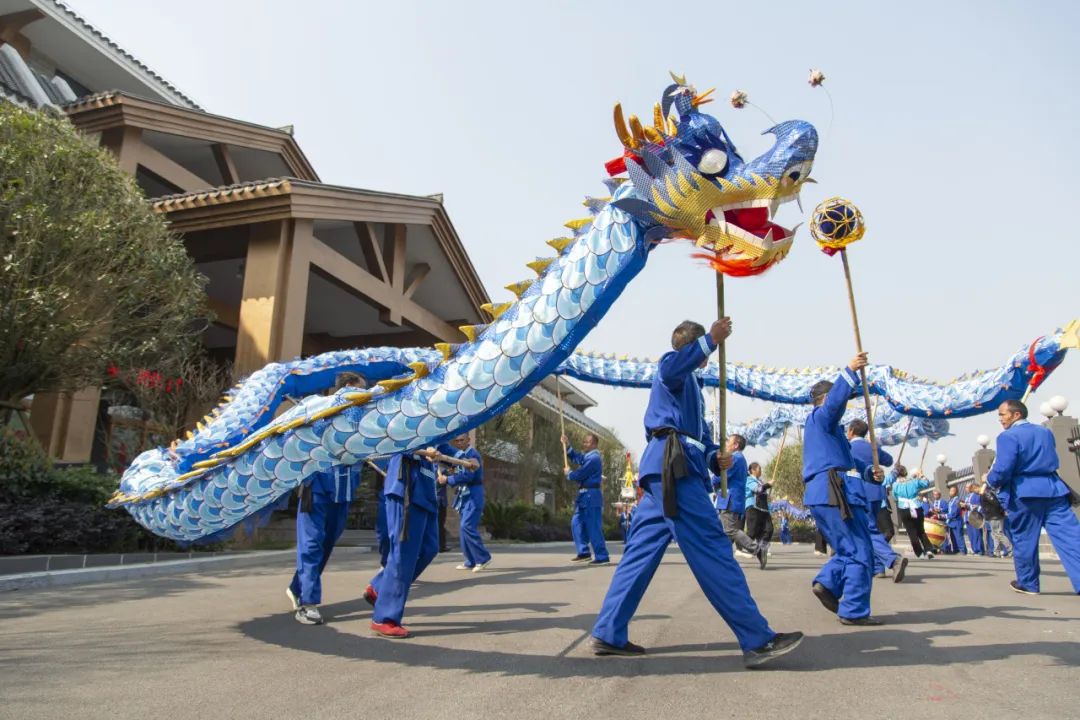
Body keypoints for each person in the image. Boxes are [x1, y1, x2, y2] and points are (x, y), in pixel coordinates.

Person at [590, 318, 803, 667]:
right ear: (694, 349)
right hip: (674, 471)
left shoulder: (693, 387)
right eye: (702, 349)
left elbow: (699, 441)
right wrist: (711, 340)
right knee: (713, 548)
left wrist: (713, 457)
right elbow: (673, 368)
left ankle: (608, 631)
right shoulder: (672, 368)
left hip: (666, 471)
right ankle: (757, 638)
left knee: (639, 554)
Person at [802, 353, 881, 625]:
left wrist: (871, 472)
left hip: (827, 492)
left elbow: (849, 462)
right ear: (826, 398)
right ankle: (854, 610)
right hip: (834, 492)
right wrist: (850, 371)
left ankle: (827, 583)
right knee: (860, 550)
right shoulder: (821, 417)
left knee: (848, 548)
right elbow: (833, 406)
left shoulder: (830, 432)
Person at [286, 372, 367, 625]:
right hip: (317, 486)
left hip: (343, 491)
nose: (363, 395)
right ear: (348, 387)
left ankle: (298, 587)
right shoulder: (319, 409)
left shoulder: (360, 418)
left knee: (326, 544)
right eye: (360, 389)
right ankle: (307, 603)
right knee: (311, 544)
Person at [985, 399, 1080, 595]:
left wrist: (990, 479)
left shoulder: (1007, 437)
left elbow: (1003, 469)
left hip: (1024, 492)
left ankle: (1028, 583)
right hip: (1054, 490)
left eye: (1002, 414)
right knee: (1071, 537)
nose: (1000, 419)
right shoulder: (1045, 432)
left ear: (1016, 414)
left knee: (1024, 540)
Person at [363, 446, 442, 638]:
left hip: (427, 492)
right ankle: (385, 618)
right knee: (403, 554)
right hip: (407, 486)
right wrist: (422, 448)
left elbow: (445, 446)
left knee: (429, 548)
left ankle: (379, 587)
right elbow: (396, 438)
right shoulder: (407, 425)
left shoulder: (437, 430)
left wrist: (462, 458)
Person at [847, 419, 906, 583]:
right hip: (876, 492)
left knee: (868, 529)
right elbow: (888, 460)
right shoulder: (872, 447)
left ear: (851, 431)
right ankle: (878, 567)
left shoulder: (848, 447)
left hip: (859, 492)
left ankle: (892, 559)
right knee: (872, 528)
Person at [438, 434, 491, 572]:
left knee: (467, 525)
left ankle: (483, 558)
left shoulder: (473, 455)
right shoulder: (460, 456)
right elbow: (456, 470)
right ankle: (470, 561)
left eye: (462, 440)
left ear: (468, 440)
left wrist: (447, 480)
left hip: (473, 493)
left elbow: (468, 476)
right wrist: (447, 472)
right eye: (457, 441)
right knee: (463, 528)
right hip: (464, 495)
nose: (459, 443)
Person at [715, 434, 768, 569]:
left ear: (736, 445)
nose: (726, 443)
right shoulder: (740, 459)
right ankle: (723, 560)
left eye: (729, 441)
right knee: (726, 532)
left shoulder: (735, 458)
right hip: (732, 499)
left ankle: (757, 549)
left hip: (729, 499)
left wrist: (711, 480)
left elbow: (723, 476)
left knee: (730, 530)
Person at [562, 432, 610, 565]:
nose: (584, 444)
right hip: (583, 495)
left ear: (594, 444)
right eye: (584, 442)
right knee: (576, 522)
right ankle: (583, 552)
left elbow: (581, 474)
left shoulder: (594, 458)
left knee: (593, 526)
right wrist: (568, 446)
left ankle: (602, 556)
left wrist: (569, 473)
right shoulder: (588, 457)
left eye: (587, 442)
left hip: (591, 495)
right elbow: (578, 458)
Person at [891, 466, 934, 558]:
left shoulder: (895, 485)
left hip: (904, 508)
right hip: (916, 506)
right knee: (921, 530)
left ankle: (920, 553)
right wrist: (921, 475)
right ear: (906, 473)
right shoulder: (914, 481)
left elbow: (895, 498)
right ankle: (928, 549)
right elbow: (926, 483)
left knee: (911, 532)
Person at [744, 462, 774, 552]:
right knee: (752, 531)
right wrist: (768, 485)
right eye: (759, 468)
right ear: (753, 470)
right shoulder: (749, 480)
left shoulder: (760, 481)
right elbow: (758, 489)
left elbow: (763, 491)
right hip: (753, 508)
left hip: (764, 509)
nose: (761, 470)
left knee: (769, 529)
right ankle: (746, 547)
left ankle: (762, 549)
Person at [963, 483, 985, 555]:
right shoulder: (967, 496)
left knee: (977, 534)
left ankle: (979, 550)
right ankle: (974, 550)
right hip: (967, 518)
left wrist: (968, 506)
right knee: (971, 535)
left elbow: (979, 506)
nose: (966, 489)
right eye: (965, 487)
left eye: (967, 487)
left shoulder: (976, 495)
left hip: (975, 517)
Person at [946, 486, 967, 555]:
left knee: (959, 537)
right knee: (953, 538)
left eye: (953, 491)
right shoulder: (950, 501)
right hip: (951, 522)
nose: (951, 492)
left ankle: (962, 550)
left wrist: (946, 516)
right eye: (950, 491)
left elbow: (955, 512)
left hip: (957, 521)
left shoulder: (958, 501)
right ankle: (956, 550)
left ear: (956, 492)